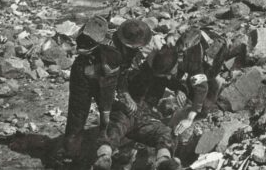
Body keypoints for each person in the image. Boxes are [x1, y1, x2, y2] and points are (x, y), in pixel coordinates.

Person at [93, 46, 185, 170]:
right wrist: (125, 96)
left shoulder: (161, 71)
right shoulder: (137, 67)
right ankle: (104, 157)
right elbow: (118, 81)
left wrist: (180, 89)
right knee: (114, 128)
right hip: (126, 112)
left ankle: (163, 161)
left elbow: (172, 81)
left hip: (145, 118)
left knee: (167, 133)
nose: (169, 77)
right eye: (167, 74)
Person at [64, 16, 122, 158]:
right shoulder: (82, 41)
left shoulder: (112, 55)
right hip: (81, 76)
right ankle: (71, 152)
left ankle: (107, 144)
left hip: (105, 78)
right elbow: (78, 50)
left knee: (108, 113)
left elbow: (107, 98)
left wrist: (104, 124)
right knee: (77, 115)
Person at [169, 27, 228, 137]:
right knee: (190, 80)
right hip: (199, 45)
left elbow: (202, 88)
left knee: (208, 81)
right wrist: (178, 89)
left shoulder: (195, 62)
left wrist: (189, 118)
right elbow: (179, 71)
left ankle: (204, 109)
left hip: (217, 51)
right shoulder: (177, 47)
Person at [112, 19, 154, 116]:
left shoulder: (129, 47)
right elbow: (118, 74)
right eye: (137, 46)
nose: (140, 47)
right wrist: (125, 94)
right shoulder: (114, 52)